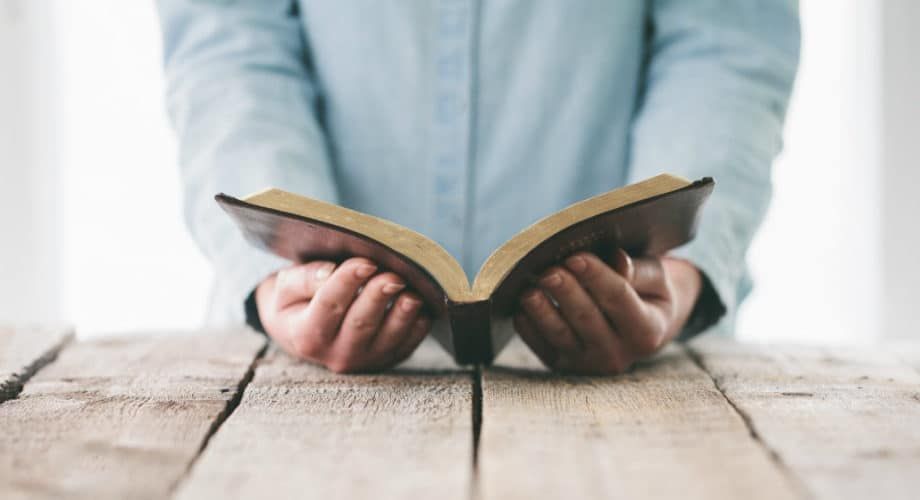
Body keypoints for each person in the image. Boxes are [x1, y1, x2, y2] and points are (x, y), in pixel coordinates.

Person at [156, 0, 799, 374]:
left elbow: (726, 42)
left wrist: (680, 273)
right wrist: (277, 276)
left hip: (640, 363)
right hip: (288, 365)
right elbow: (229, 44)